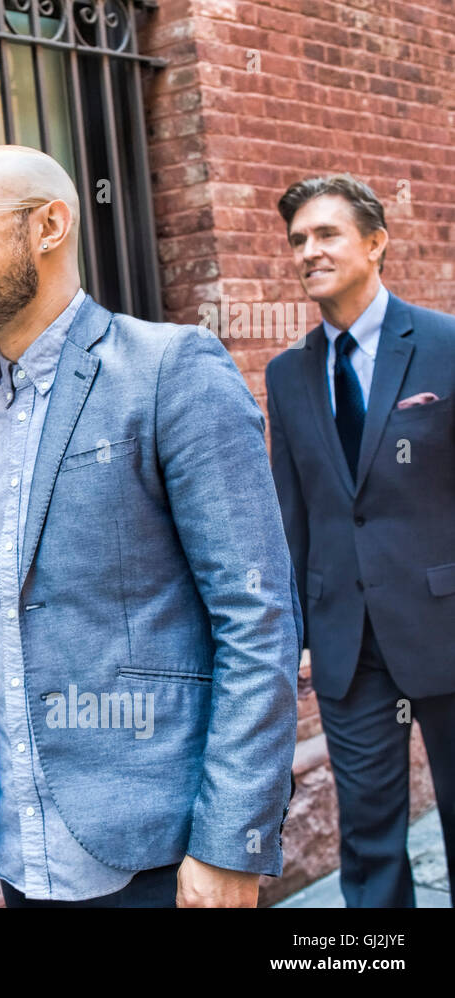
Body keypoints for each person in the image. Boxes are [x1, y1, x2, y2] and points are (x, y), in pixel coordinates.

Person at [0, 146, 301, 908]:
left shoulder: (172, 368)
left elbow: (257, 616)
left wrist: (233, 837)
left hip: (159, 849)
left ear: (50, 225)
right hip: (24, 852)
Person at [264, 174, 455, 907]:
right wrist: (300, 635)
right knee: (368, 840)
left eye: (326, 234)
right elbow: (296, 513)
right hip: (348, 645)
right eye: (298, 241)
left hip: (444, 622)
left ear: (375, 243)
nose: (308, 251)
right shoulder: (288, 375)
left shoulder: (443, 346)